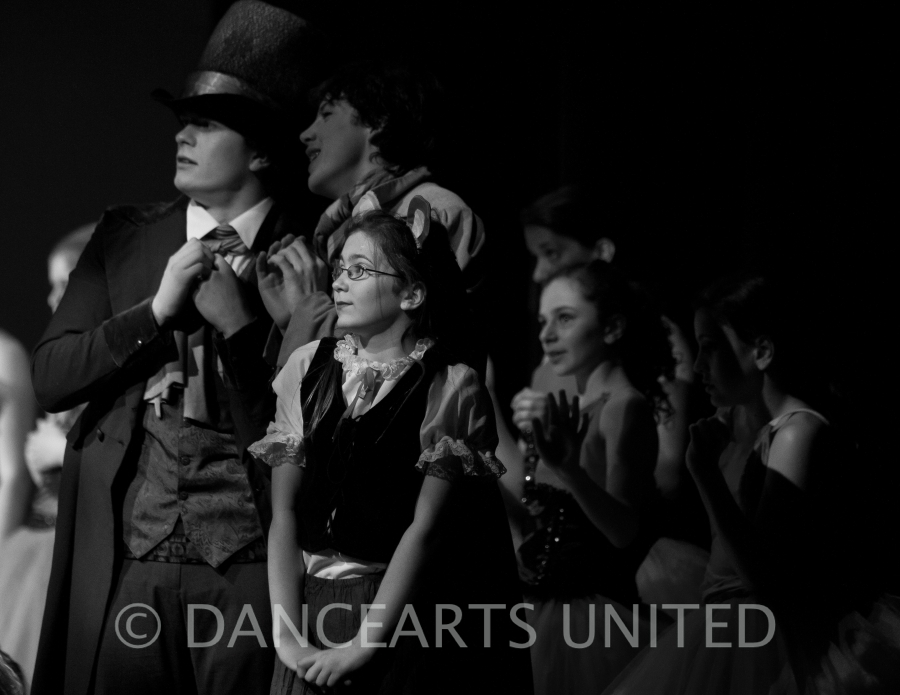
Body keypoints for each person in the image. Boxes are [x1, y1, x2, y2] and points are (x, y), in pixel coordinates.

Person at [29, 4, 322, 694]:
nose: (182, 137)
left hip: (250, 564)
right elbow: (51, 376)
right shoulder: (126, 238)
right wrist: (155, 311)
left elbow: (313, 426)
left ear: (259, 151)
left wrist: (243, 329)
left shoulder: (308, 252)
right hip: (134, 557)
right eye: (182, 122)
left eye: (207, 125)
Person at [249, 204, 532, 694]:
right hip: (308, 603)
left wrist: (363, 644)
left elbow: (426, 529)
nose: (340, 282)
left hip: (393, 613)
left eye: (359, 270)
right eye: (339, 269)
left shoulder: (448, 385)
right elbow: (284, 513)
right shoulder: (307, 366)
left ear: (411, 293)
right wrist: (288, 637)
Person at [602, 272, 855, 694]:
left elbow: (762, 576)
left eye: (711, 346)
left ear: (762, 351)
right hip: (718, 620)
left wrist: (705, 473)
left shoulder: (795, 434)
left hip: (769, 635)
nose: (698, 365)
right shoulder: (729, 425)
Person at [509, 260, 674, 694]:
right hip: (546, 604)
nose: (547, 335)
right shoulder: (574, 408)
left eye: (564, 319)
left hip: (595, 618)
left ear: (612, 327)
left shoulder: (624, 406)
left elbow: (624, 534)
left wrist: (571, 471)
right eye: (543, 321)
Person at [256, 60, 486, 368]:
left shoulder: (432, 211)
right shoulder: (337, 230)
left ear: (378, 120)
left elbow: (416, 361)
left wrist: (309, 311)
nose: (306, 134)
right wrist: (293, 320)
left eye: (327, 114)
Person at [0, 224, 91, 694]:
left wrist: (60, 452)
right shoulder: (64, 363)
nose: (53, 299)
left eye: (64, 284)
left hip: (63, 544)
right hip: (36, 541)